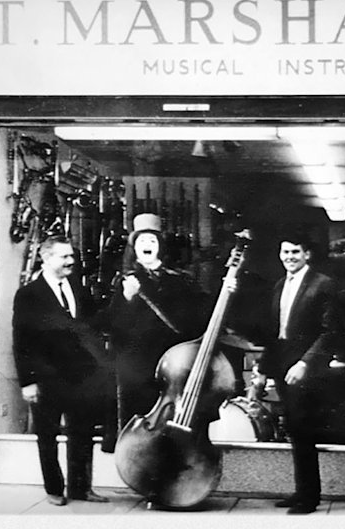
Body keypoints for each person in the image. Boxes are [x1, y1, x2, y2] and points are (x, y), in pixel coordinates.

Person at [12, 235, 110, 506]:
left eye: (71, 256)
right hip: (46, 379)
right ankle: (54, 489)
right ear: (46, 258)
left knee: (82, 432)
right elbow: (22, 342)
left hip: (81, 377)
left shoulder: (78, 288)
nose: (71, 261)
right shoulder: (28, 295)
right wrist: (27, 382)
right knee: (47, 435)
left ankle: (81, 488)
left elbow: (91, 325)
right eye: (64, 256)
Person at [252, 229, 337, 515]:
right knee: (293, 429)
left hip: (306, 369)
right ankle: (301, 491)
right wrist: (263, 370)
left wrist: (305, 363)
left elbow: (330, 332)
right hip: (283, 365)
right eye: (285, 252)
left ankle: (310, 497)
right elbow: (275, 334)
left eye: (295, 252)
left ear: (307, 254)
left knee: (304, 430)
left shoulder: (323, 284)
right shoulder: (279, 285)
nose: (289, 257)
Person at [108, 213, 209, 428]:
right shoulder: (124, 281)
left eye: (152, 240)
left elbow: (194, 322)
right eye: (141, 241)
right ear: (134, 248)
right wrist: (127, 297)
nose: (147, 245)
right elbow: (115, 325)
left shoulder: (181, 280)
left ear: (160, 247)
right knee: (137, 422)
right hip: (138, 366)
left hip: (171, 363)